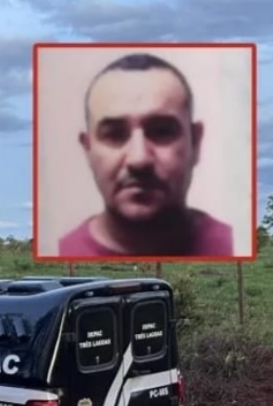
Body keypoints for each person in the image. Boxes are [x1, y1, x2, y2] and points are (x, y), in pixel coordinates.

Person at [58, 52, 233, 257]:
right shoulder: (61, 252)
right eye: (115, 134)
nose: (139, 159)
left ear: (195, 142)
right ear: (87, 149)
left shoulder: (235, 246)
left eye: (161, 131)